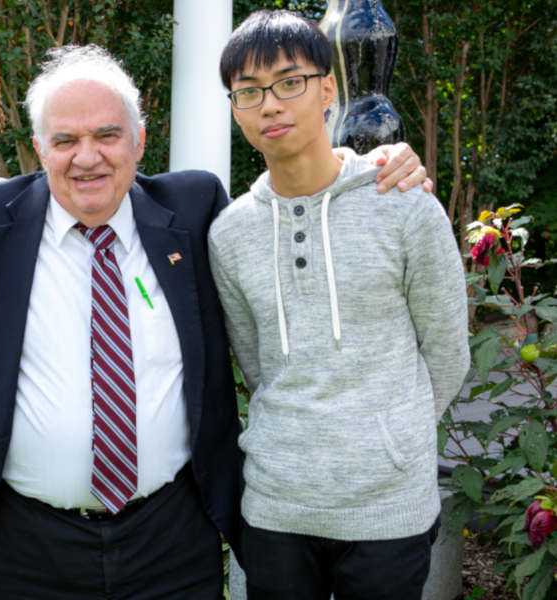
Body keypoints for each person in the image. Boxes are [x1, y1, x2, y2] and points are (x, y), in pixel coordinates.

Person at [0, 45, 431, 599]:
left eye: (106, 135)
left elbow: (293, 183)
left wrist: (369, 164)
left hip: (172, 536)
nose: (87, 158)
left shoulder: (192, 204)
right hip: (27, 546)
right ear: (39, 148)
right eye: (65, 141)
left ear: (139, 141)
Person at [208, 11, 470, 600]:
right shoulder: (230, 234)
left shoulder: (402, 204)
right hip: (277, 508)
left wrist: (390, 443)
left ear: (329, 88)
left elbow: (449, 349)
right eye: (248, 92)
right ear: (235, 108)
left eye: (288, 82)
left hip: (388, 509)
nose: (270, 104)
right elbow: (257, 363)